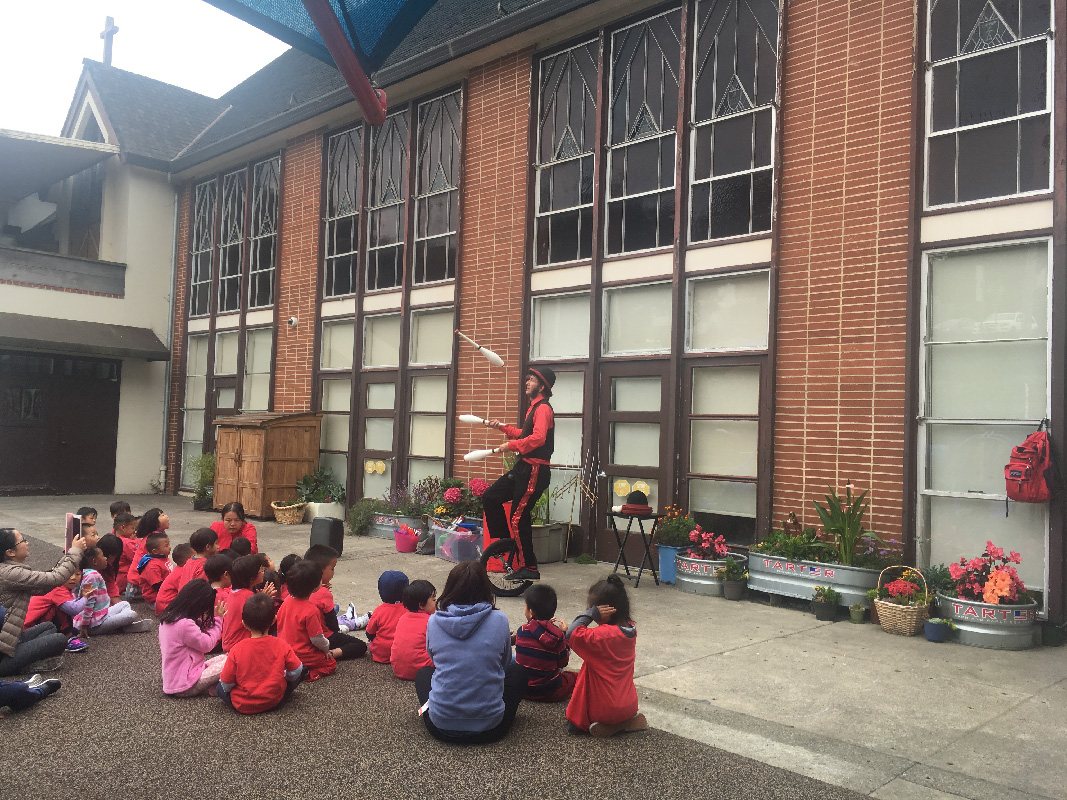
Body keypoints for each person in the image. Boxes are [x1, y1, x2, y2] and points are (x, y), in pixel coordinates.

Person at [416, 561, 527, 744]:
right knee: (519, 672)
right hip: (492, 727)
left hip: (440, 727)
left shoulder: (434, 621)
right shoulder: (499, 619)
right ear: (486, 588)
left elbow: (434, 660)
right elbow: (504, 663)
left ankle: (443, 709)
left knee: (423, 674)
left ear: (450, 587)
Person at [481, 366, 556, 581]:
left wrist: (510, 446)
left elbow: (538, 439)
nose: (527, 382)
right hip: (522, 468)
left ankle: (529, 567)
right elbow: (525, 434)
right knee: (490, 497)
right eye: (527, 379)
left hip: (534, 470)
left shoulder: (543, 409)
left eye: (531, 380)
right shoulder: (533, 408)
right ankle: (507, 544)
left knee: (518, 517)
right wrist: (502, 427)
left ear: (542, 386)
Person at [0, 527, 96, 676]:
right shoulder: (10, 574)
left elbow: (47, 584)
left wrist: (70, 554)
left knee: (49, 627)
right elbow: (56, 578)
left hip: (11, 640)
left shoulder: (9, 570)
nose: (27, 542)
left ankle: (26, 659)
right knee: (58, 639)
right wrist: (75, 552)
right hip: (3, 653)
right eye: (23, 540)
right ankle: (21, 667)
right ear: (10, 552)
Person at [565, 574, 645, 737]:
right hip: (630, 705)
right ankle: (625, 721)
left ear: (607, 610)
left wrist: (590, 614)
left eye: (594, 607)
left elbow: (571, 633)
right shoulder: (631, 629)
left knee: (572, 727)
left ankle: (610, 724)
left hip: (606, 709)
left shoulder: (602, 636)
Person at [217, 594, 304, 714]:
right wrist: (285, 678)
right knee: (300, 673)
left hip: (243, 704)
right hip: (274, 700)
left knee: (219, 687)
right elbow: (297, 670)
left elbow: (227, 683)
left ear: (244, 624)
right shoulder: (281, 644)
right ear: (274, 619)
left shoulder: (237, 649)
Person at [158, 579, 227, 697]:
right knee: (229, 662)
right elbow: (207, 645)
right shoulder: (185, 625)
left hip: (176, 679)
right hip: (185, 684)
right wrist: (218, 621)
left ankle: (214, 687)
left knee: (225, 657)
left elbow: (193, 630)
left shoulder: (169, 619)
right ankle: (217, 687)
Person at [276, 560, 338, 681]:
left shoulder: (287, 601)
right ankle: (308, 673)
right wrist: (326, 648)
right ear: (315, 586)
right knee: (331, 664)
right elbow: (317, 639)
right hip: (302, 653)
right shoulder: (311, 610)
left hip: (284, 650)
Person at [303, 545, 367, 659]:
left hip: (303, 637)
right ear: (320, 572)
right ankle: (330, 654)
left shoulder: (301, 588)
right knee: (360, 646)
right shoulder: (323, 593)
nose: (333, 572)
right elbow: (332, 623)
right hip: (323, 637)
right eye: (332, 568)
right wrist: (336, 634)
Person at [515, 583, 575, 703]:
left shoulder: (521, 631)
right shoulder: (558, 636)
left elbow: (535, 631)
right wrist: (564, 635)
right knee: (574, 677)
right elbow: (563, 662)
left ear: (531, 612)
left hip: (523, 689)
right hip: (550, 692)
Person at [76, 547, 152, 637]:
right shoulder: (93, 576)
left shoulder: (87, 573)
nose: (105, 558)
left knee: (124, 604)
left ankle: (123, 626)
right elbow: (88, 603)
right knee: (131, 615)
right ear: (95, 561)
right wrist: (84, 627)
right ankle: (123, 627)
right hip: (93, 625)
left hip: (101, 615)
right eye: (103, 556)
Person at [23, 570, 91, 652]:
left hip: (31, 627)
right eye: (69, 574)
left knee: (74, 630)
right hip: (31, 630)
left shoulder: (57, 586)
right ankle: (67, 638)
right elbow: (73, 609)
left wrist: (81, 597)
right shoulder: (57, 589)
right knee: (61, 610)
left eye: (77, 574)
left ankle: (65, 635)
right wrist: (85, 597)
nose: (73, 578)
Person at [221, 554, 276, 653]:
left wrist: (260, 597)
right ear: (251, 579)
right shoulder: (247, 597)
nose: (263, 571)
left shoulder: (234, 592)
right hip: (239, 645)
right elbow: (262, 619)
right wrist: (264, 601)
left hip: (229, 644)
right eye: (261, 570)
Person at [390, 580, 436, 681]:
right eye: (433, 600)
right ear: (421, 605)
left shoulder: (403, 618)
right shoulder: (431, 621)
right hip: (422, 670)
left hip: (398, 669)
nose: (436, 603)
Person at [125, 509, 169, 599]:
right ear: (155, 523)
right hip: (137, 584)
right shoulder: (153, 539)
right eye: (162, 515)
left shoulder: (157, 535)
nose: (167, 516)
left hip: (144, 578)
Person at [367, 570, 409, 664]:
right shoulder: (409, 609)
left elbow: (370, 632)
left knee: (372, 642)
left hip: (381, 654)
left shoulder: (379, 610)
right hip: (401, 652)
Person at [132, 532, 172, 606]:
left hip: (166, 590)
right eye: (166, 546)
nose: (169, 547)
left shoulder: (163, 556)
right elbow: (157, 585)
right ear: (155, 551)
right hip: (155, 597)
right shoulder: (152, 566)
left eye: (169, 544)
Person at [154, 543, 193, 616]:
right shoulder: (183, 572)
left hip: (166, 605)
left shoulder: (180, 569)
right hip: (167, 607)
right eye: (195, 556)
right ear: (188, 560)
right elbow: (186, 593)